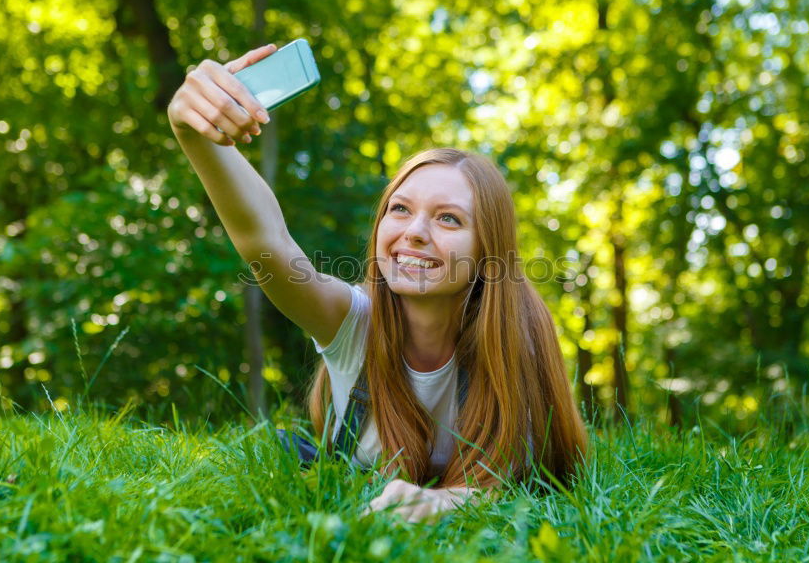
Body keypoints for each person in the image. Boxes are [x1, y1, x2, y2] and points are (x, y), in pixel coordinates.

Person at [167, 44, 590, 523]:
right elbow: (266, 242)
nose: (414, 232)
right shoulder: (352, 322)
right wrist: (195, 133)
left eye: (449, 219)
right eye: (401, 209)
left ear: (486, 252)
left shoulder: (515, 335)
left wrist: (441, 502)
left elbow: (522, 482)